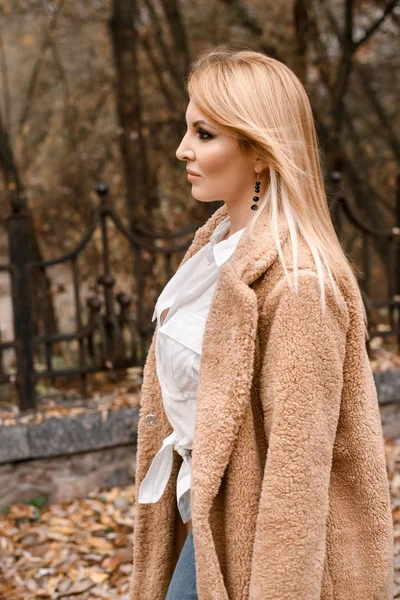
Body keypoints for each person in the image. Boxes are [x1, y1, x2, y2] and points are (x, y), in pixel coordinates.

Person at [129, 45, 394, 600]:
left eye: (204, 134)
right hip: (205, 522)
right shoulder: (217, 251)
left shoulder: (298, 287)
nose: (182, 151)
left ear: (256, 149)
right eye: (187, 132)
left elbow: (296, 488)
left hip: (260, 555)